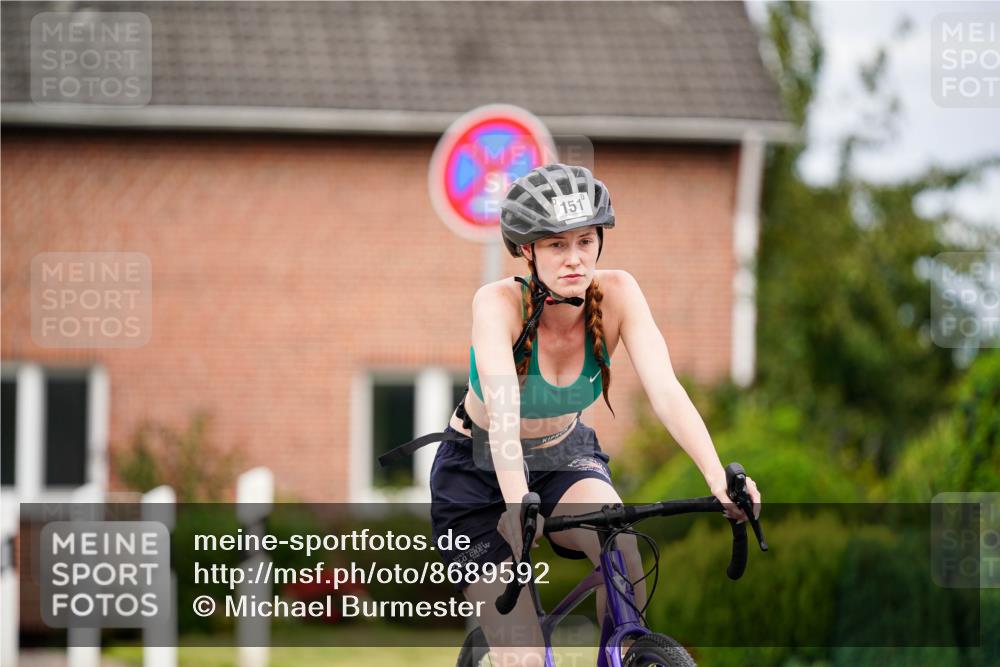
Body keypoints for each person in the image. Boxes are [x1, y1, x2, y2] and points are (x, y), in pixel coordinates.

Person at [387, 164, 762, 666]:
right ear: (527, 250)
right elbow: (501, 415)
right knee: (522, 656)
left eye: (585, 241)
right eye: (556, 245)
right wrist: (518, 502)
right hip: (476, 471)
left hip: (564, 454)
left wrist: (719, 477)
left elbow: (667, 392)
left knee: (622, 550)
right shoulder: (497, 304)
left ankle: (625, 653)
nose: (575, 259)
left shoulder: (620, 294)